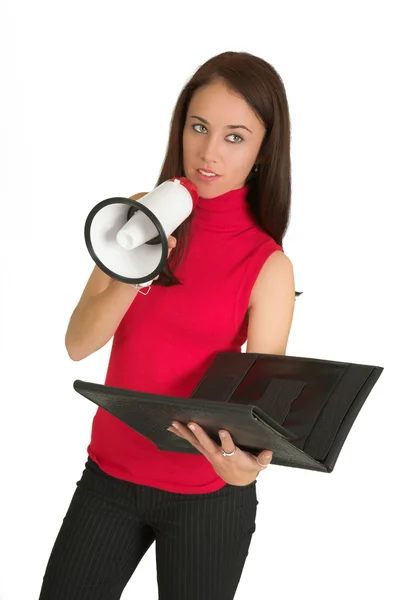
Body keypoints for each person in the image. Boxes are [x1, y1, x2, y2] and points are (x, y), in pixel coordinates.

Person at [38, 51, 296, 600]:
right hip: (108, 479)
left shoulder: (267, 265)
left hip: (207, 500)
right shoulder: (135, 215)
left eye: (234, 136)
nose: (207, 152)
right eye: (198, 127)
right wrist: (140, 267)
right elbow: (78, 343)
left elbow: (256, 427)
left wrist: (240, 470)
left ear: (262, 151)